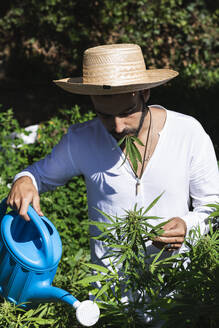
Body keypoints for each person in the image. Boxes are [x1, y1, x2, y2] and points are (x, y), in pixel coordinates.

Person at [7, 43, 219, 265]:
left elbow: (212, 205)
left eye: (126, 112)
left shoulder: (186, 132)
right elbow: (37, 176)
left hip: (174, 288)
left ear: (145, 93)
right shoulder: (82, 139)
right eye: (105, 115)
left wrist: (188, 226)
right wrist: (24, 179)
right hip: (110, 291)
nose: (117, 127)